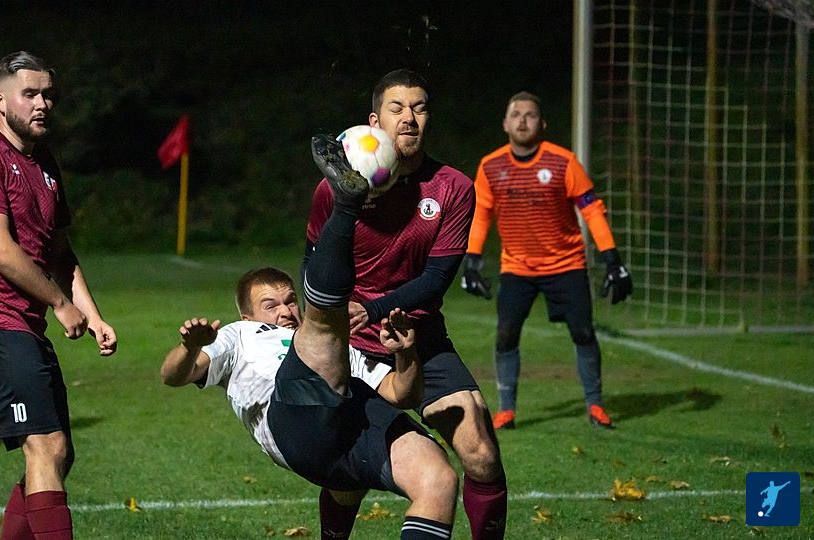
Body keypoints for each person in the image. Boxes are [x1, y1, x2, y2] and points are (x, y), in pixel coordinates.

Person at [162, 136, 459, 539]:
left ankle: (345, 209)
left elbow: (400, 394)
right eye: (270, 305)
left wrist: (407, 355)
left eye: (290, 300)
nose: (285, 311)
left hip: (344, 420)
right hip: (291, 420)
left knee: (438, 479)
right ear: (248, 315)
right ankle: (347, 204)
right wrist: (190, 346)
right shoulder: (240, 335)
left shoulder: (337, 349)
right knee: (325, 323)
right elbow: (173, 376)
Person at [304, 69, 508, 540]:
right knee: (347, 479)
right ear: (374, 122)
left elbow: (437, 279)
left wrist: (374, 311)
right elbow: (311, 265)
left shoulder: (453, 187)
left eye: (419, 108)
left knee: (480, 452)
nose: (409, 119)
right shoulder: (336, 189)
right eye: (397, 108)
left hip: (420, 338)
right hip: (350, 344)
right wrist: (326, 321)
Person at [0, 51, 117, 540]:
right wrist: (61, 305)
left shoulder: (44, 163)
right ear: (0, 100)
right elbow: (0, 250)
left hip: (23, 325)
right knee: (46, 446)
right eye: (30, 94)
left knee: (60, 455)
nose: (43, 103)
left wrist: (92, 314)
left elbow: (59, 251)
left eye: (47, 94)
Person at [461, 91, 633, 430]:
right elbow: (481, 214)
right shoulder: (490, 166)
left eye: (530, 115)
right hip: (517, 267)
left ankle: (595, 405)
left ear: (543, 124)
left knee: (583, 332)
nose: (523, 120)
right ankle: (506, 411)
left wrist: (612, 259)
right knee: (506, 334)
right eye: (516, 114)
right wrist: (472, 261)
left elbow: (592, 210)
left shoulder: (563, 162)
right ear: (505, 124)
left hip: (566, 265)